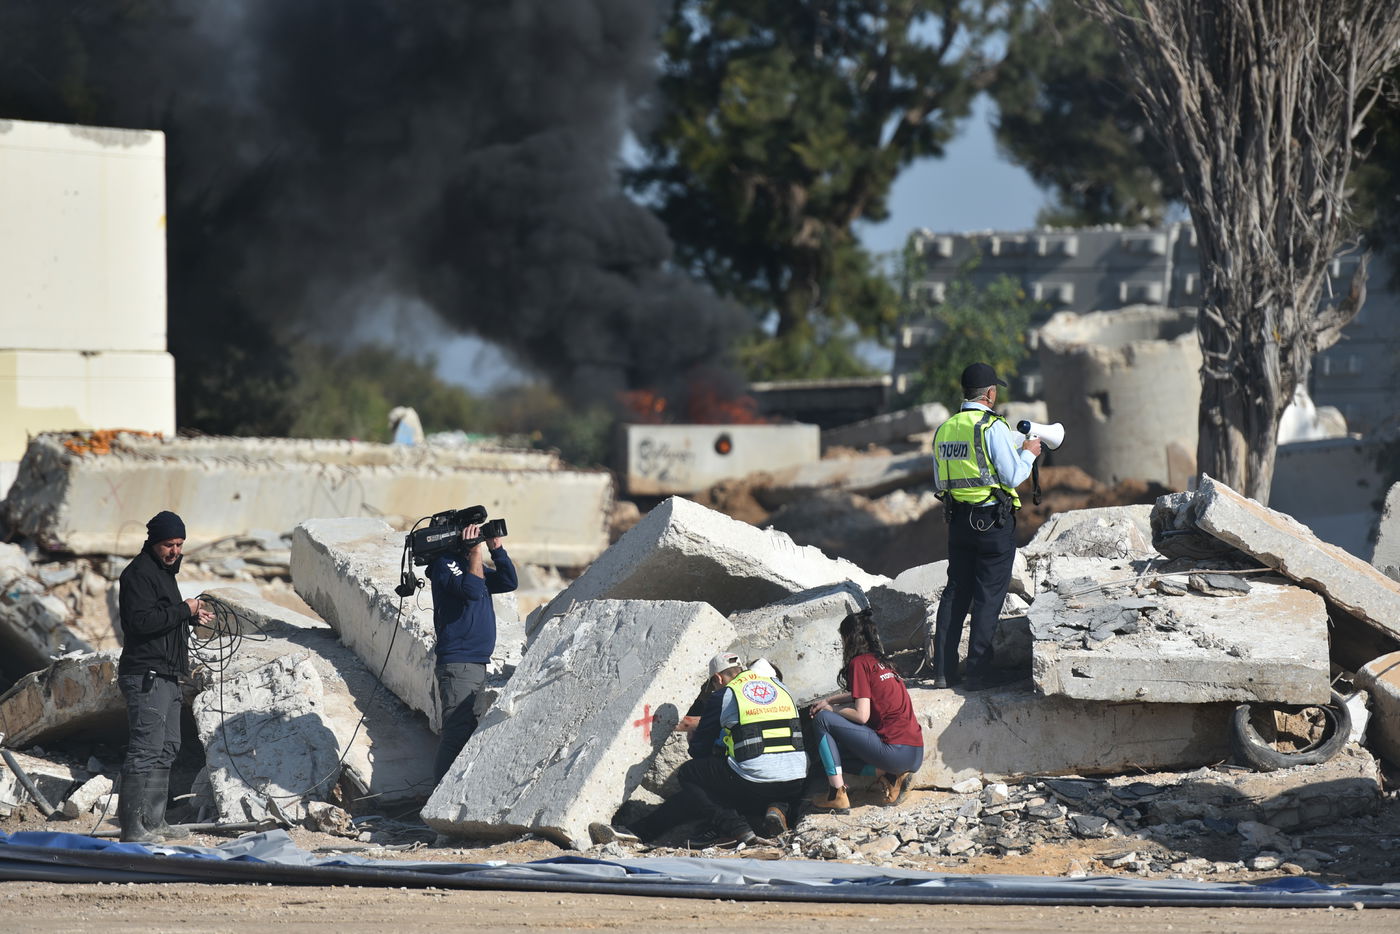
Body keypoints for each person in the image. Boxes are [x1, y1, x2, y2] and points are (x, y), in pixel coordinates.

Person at [614, 653, 808, 846]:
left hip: (755, 781)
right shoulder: (781, 687)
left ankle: (736, 828)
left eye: (713, 685)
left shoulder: (726, 694)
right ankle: (776, 808)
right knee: (709, 792)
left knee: (690, 773)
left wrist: (698, 740)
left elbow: (700, 750)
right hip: (796, 780)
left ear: (718, 678)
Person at [930, 362, 1041, 691]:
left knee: (955, 594)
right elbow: (1011, 476)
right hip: (992, 523)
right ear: (990, 394)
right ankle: (978, 673)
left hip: (958, 522)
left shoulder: (945, 429)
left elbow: (940, 479)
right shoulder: (992, 426)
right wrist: (1029, 454)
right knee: (988, 597)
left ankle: (944, 672)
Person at [117, 510, 212, 843]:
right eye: (169, 544)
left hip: (169, 675)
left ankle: (153, 822)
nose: (175, 551)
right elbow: (140, 623)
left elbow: (162, 618)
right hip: (147, 675)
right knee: (144, 750)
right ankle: (131, 829)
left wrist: (190, 618)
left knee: (167, 747)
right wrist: (183, 610)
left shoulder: (164, 574)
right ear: (153, 542)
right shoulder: (138, 574)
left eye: (180, 544)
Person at [427, 520, 517, 781]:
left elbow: (508, 581)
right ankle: (436, 800)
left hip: (475, 662)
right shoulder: (446, 564)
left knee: (468, 731)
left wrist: (496, 549)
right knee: (456, 733)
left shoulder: (468, 566)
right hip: (459, 662)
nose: (476, 536)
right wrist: (476, 552)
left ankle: (450, 795)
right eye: (472, 532)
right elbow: (474, 590)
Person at [808, 610, 924, 811]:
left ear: (849, 638)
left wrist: (832, 708)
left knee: (822, 719)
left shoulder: (859, 663)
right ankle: (888, 775)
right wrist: (830, 699)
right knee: (838, 755)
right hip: (915, 754)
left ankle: (837, 794)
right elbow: (863, 694)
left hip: (895, 754)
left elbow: (862, 716)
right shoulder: (884, 663)